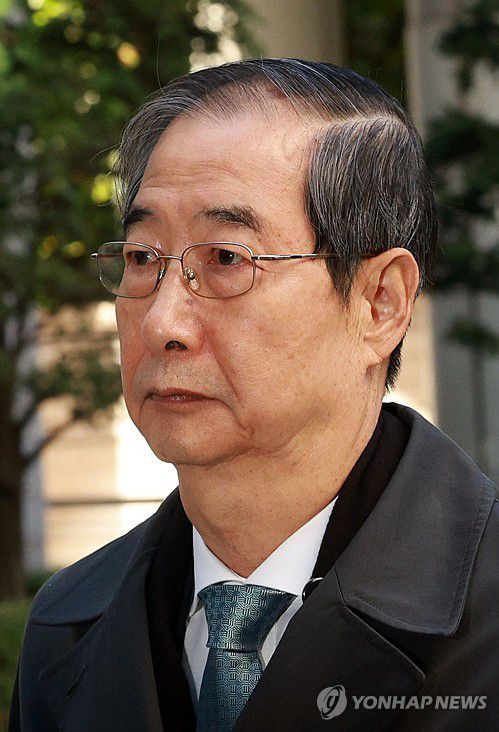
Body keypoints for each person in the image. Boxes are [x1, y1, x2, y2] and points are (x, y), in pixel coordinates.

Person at [9, 58, 499, 731]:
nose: (162, 324)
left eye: (226, 259)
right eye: (142, 258)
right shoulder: (69, 624)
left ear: (379, 303)